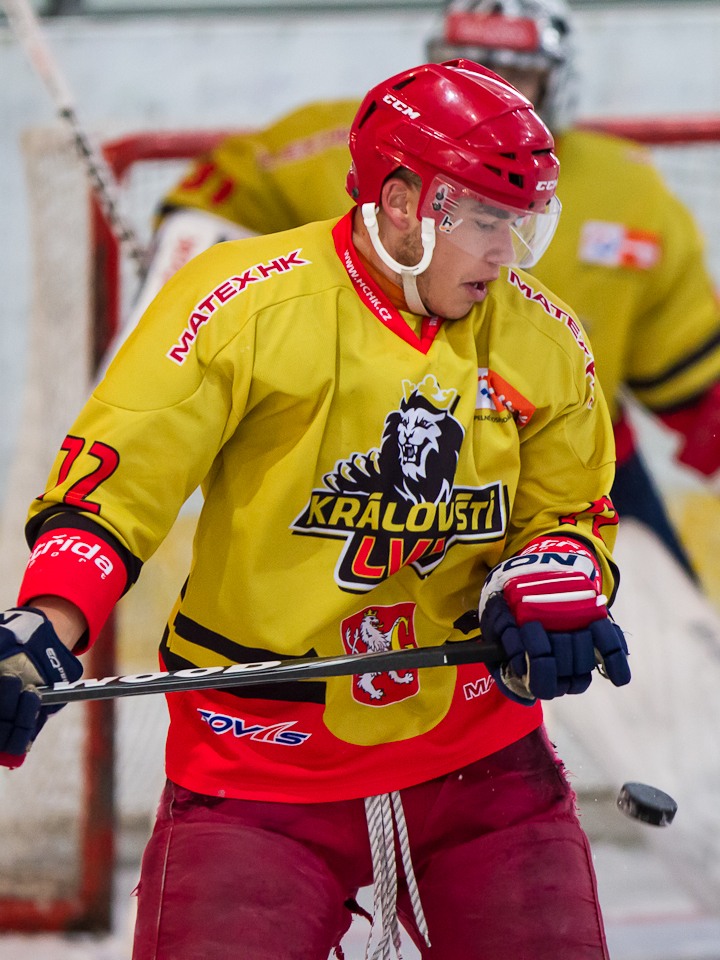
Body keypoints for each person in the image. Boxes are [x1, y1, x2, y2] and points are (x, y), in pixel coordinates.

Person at [0, 60, 630, 959]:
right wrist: (46, 621)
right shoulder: (239, 303)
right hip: (258, 761)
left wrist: (552, 574)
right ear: (402, 201)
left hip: (478, 763)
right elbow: (115, 486)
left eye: (522, 223)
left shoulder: (546, 341)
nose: (507, 252)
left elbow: (570, 514)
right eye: (487, 221)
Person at [127, 0, 720, 582]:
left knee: (651, 629)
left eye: (518, 73)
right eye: (474, 63)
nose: (495, 87)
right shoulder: (352, 145)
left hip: (567, 451)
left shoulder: (629, 191)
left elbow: (686, 367)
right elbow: (210, 211)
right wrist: (184, 285)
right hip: (376, 439)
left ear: (555, 82)